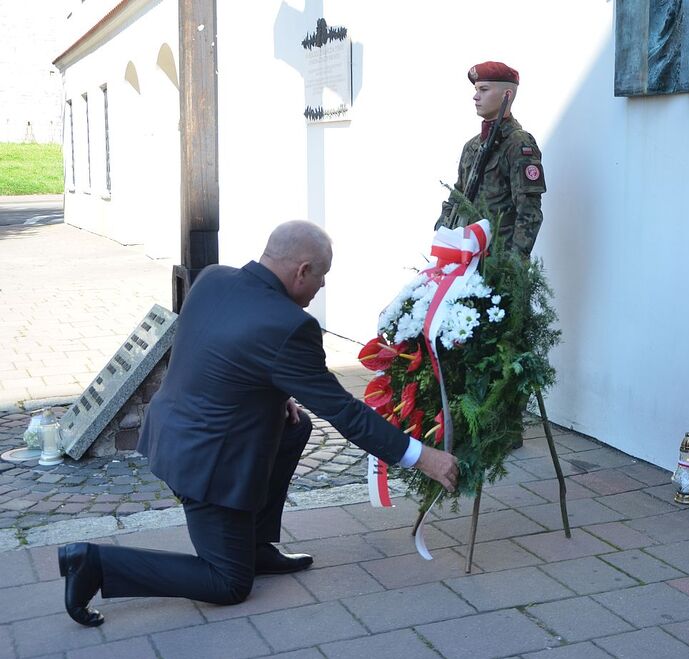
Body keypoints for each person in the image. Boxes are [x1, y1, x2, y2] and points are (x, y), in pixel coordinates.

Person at [57, 221, 459, 627]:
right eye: (322, 276)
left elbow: (217, 349)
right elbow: (344, 411)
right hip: (204, 463)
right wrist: (421, 456)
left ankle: (254, 545)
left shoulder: (214, 278)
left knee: (293, 425)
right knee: (228, 583)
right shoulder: (289, 326)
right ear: (302, 270)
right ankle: (93, 563)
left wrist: (274, 389)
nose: (321, 287)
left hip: (172, 431)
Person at [435, 61, 546, 258]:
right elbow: (458, 196)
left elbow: (529, 212)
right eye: (476, 89)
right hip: (465, 257)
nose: (475, 96)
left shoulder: (518, 144)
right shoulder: (472, 147)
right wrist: (443, 234)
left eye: (484, 89)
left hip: (498, 262)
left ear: (507, 95)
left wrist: (513, 267)